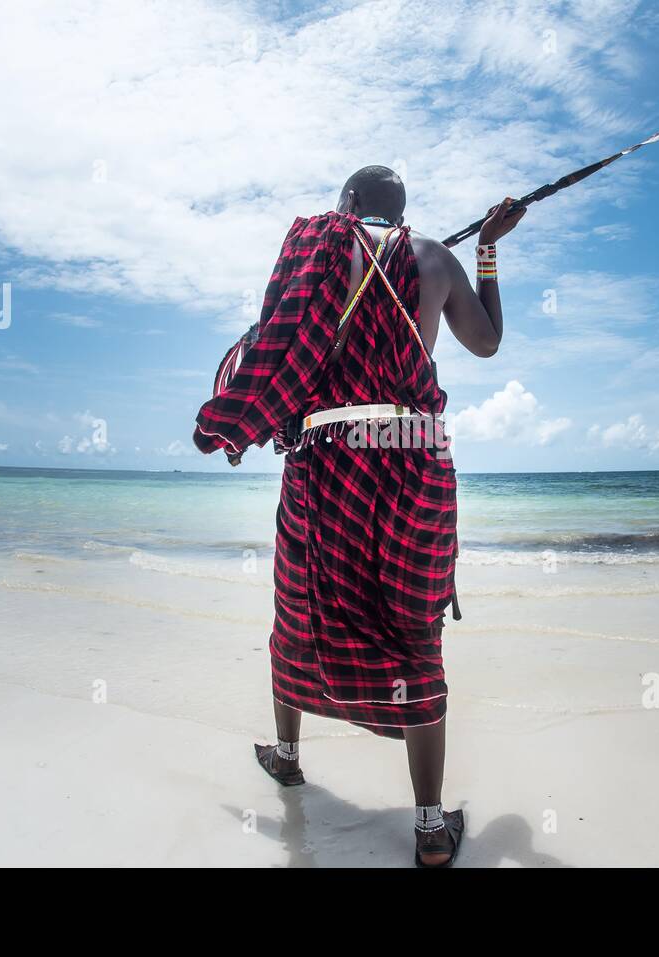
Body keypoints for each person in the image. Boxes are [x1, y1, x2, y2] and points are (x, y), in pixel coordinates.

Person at [193, 165, 525, 866]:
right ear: (400, 214)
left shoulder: (318, 250)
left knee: (300, 605)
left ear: (345, 206)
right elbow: (489, 341)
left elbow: (275, 345)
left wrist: (242, 417)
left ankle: (286, 755)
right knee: (414, 628)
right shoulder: (435, 258)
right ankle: (432, 830)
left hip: (327, 456)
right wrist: (487, 248)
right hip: (413, 464)